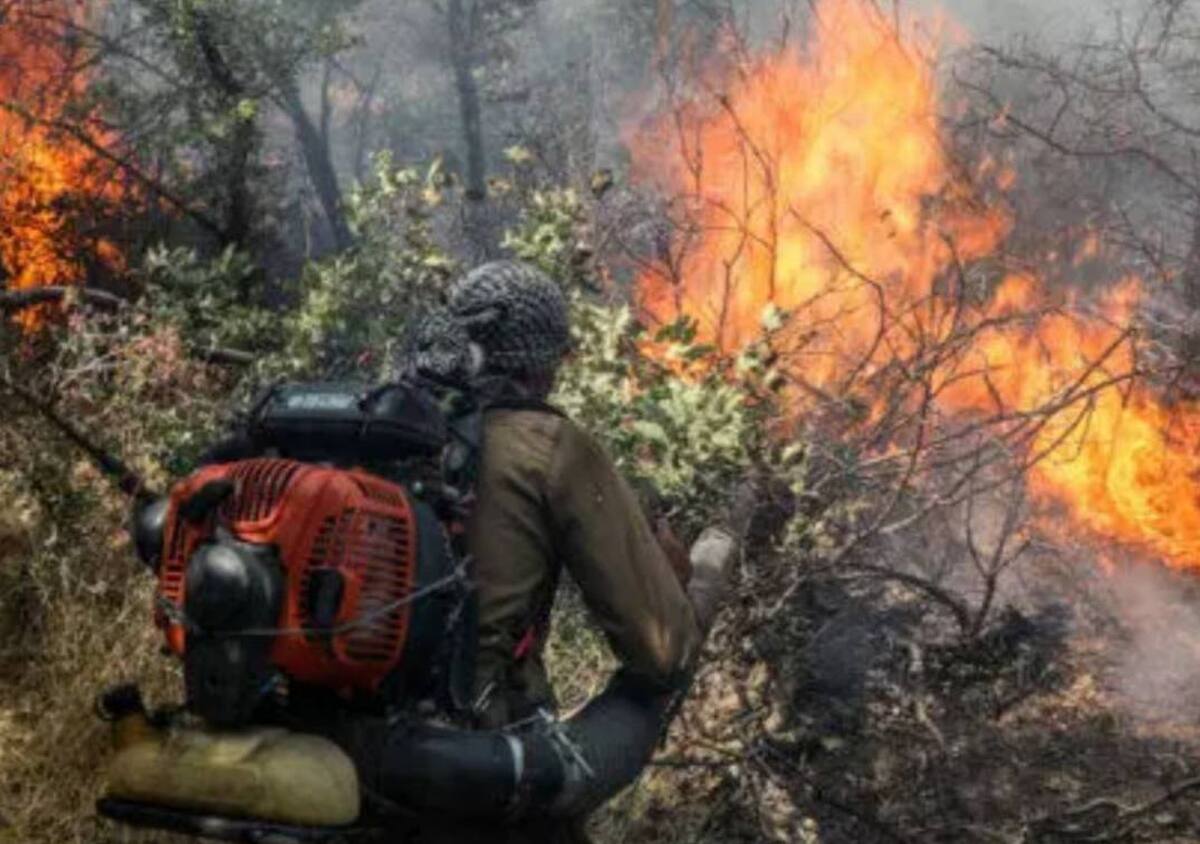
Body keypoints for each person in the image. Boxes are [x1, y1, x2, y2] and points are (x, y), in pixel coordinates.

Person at [398, 260, 703, 842]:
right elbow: (661, 647)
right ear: (544, 363)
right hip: (476, 757)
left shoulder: (389, 424)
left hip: (332, 732)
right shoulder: (548, 447)